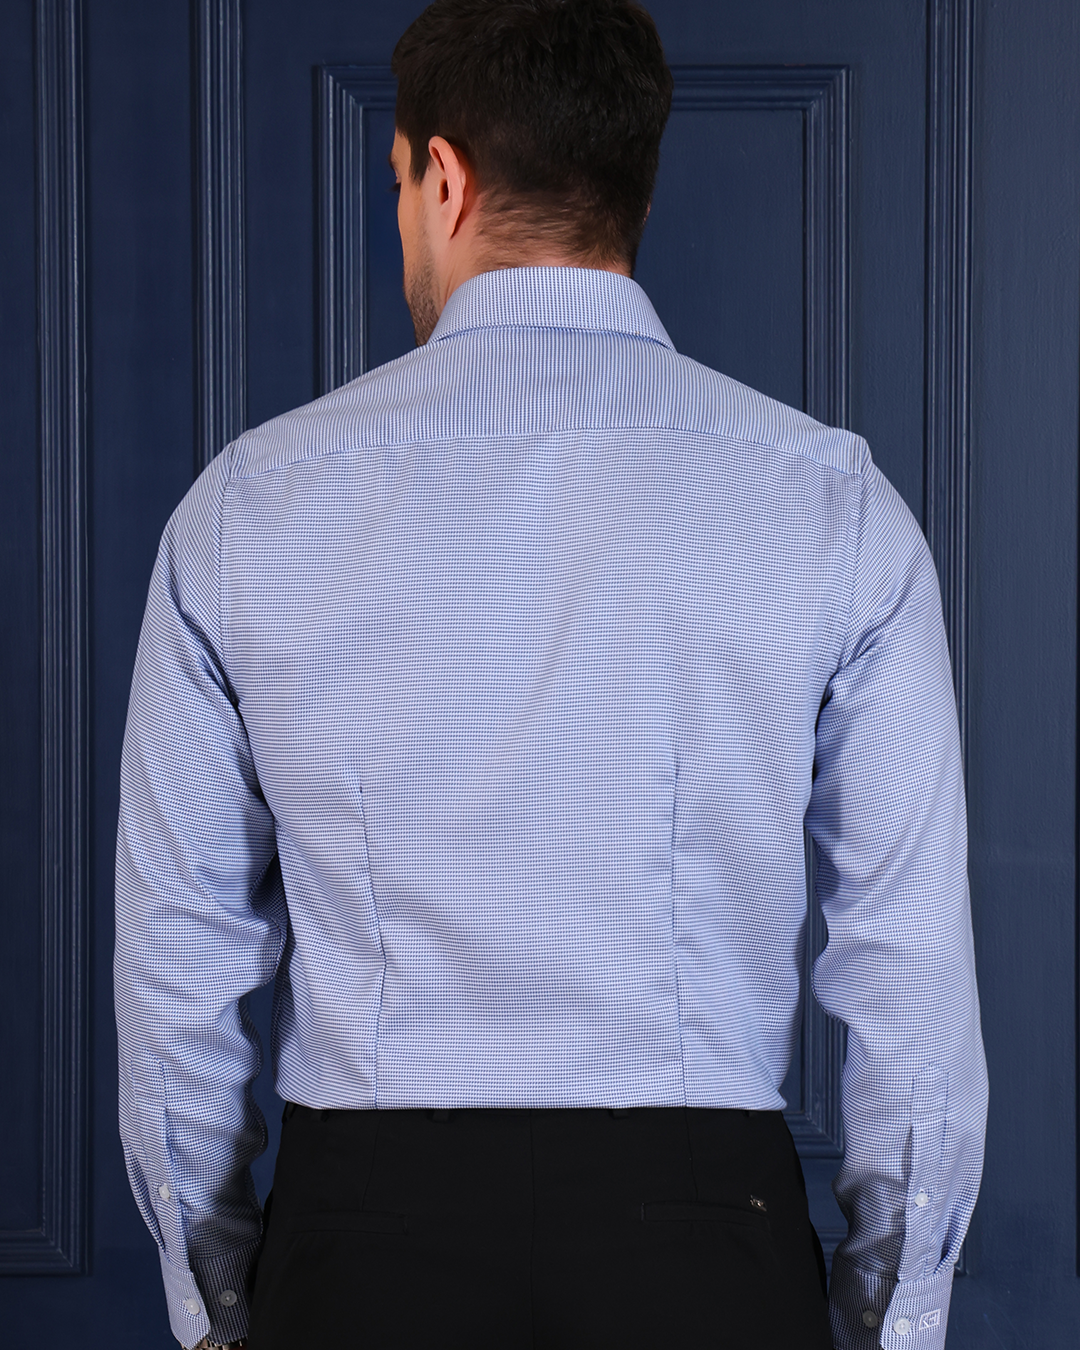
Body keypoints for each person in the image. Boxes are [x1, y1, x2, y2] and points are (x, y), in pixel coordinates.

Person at [113, 1, 989, 1347]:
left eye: (398, 183)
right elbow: (906, 975)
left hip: (360, 1254)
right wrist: (891, 1311)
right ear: (633, 182)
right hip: (709, 1253)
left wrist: (224, 1295)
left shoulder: (245, 511)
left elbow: (181, 972)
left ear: (443, 178)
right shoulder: (832, 507)